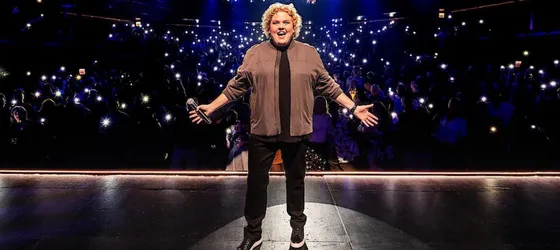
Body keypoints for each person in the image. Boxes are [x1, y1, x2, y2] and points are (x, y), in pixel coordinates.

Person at [189, 3, 378, 250]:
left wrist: (353, 107)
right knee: (256, 185)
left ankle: (297, 229)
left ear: (294, 26)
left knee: (296, 182)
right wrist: (212, 106)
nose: (281, 27)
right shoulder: (254, 53)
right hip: (262, 132)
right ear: (268, 27)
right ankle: (253, 232)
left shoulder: (310, 53)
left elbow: (329, 86)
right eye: (276, 23)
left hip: (297, 131)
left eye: (286, 22)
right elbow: (236, 86)